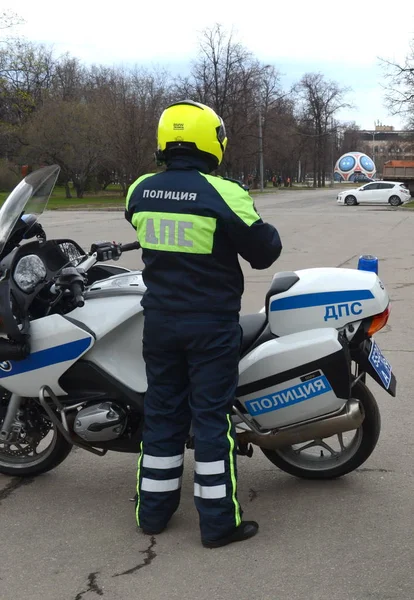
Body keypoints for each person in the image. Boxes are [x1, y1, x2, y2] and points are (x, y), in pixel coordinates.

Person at [125, 99, 282, 549]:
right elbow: (264, 251)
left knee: (162, 416)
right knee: (212, 420)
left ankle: (152, 515)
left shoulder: (139, 189)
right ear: (212, 140)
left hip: (159, 323)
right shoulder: (223, 192)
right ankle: (218, 524)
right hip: (210, 326)